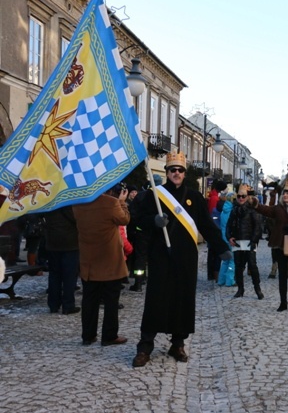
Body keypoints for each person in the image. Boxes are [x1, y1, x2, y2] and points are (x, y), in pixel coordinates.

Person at [131, 152, 230, 367]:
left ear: (184, 174)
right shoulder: (154, 196)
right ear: (166, 173)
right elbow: (137, 223)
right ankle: (145, 345)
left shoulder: (194, 197)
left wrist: (221, 247)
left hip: (186, 257)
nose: (176, 173)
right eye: (172, 170)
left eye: (180, 170)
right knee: (155, 300)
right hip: (160, 257)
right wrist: (153, 221)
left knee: (182, 300)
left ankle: (178, 343)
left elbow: (206, 225)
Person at [72, 183, 130, 346]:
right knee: (111, 300)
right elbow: (124, 219)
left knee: (89, 299)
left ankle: (88, 335)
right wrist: (121, 202)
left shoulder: (78, 205)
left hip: (89, 260)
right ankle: (109, 335)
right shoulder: (110, 203)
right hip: (109, 260)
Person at [253, 180, 288, 313]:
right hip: (280, 245)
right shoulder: (278, 208)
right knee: (282, 275)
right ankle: (283, 303)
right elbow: (265, 210)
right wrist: (255, 203)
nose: (285, 195)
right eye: (284, 193)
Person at [227, 184, 264, 300]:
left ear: (247, 197)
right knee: (238, 266)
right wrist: (229, 237)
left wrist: (254, 241)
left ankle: (257, 289)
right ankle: (240, 289)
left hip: (249, 241)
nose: (241, 198)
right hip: (238, 241)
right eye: (239, 196)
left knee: (252, 266)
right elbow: (228, 225)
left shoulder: (252, 210)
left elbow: (258, 227)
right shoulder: (234, 210)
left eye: (243, 196)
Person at [44, 206, 80, 315]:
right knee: (69, 276)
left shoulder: (50, 202)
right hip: (70, 244)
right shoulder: (68, 203)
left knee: (54, 275)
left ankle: (53, 304)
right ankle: (68, 305)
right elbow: (75, 219)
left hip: (52, 243)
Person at [207, 180, 228, 280]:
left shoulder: (213, 196)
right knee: (215, 253)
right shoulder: (215, 199)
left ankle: (211, 274)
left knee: (212, 253)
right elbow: (214, 213)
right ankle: (214, 274)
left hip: (213, 228)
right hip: (215, 229)